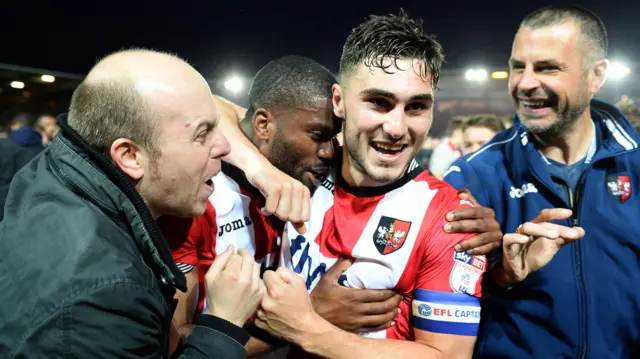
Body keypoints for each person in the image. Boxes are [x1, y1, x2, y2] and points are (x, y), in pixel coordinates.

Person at [167, 55, 503, 357]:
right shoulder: (274, 180)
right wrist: (263, 171)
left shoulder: (445, 215)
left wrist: (309, 325)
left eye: (416, 106)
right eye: (379, 103)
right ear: (342, 102)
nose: (396, 127)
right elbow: (217, 107)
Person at [0, 49, 265, 358]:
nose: (224, 146)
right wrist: (223, 324)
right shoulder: (103, 299)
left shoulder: (59, 170)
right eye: (202, 133)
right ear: (129, 156)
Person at [444, 5, 639, 358]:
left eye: (547, 67)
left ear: (596, 76)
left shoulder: (636, 164)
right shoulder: (475, 175)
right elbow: (441, 301)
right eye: (518, 66)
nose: (525, 82)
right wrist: (504, 275)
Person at [0, 112, 44, 221]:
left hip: (3, 200)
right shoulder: (42, 148)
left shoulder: (4, 145)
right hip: (31, 202)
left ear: (16, 125)